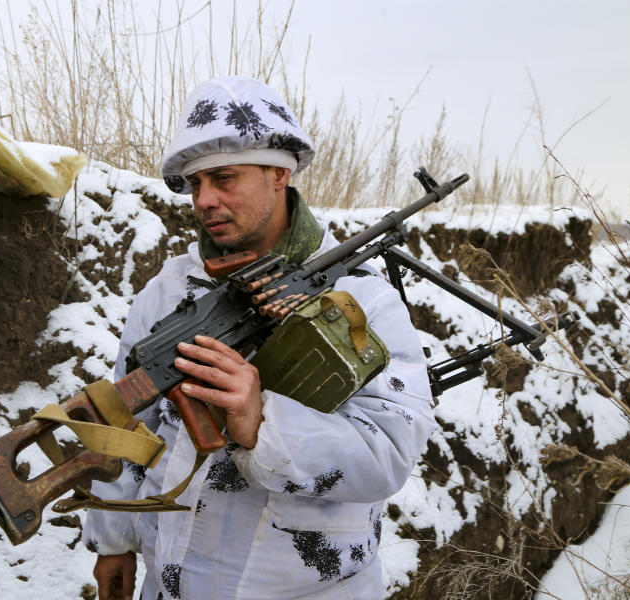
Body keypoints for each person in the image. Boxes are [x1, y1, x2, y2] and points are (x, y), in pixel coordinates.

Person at [82, 76, 436, 600]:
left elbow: (389, 452)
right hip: (170, 580)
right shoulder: (169, 290)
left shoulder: (360, 299)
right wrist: (113, 539)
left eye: (223, 178)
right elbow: (131, 426)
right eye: (195, 184)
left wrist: (260, 420)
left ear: (279, 173)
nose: (204, 200)